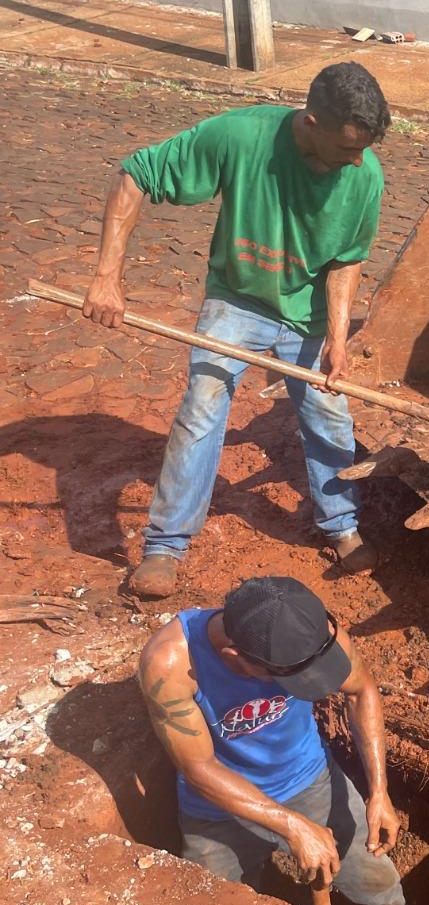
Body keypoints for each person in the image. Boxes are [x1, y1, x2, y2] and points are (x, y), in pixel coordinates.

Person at [83, 62, 392, 599]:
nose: (357, 160)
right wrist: (107, 277)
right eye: (346, 148)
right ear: (311, 121)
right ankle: (165, 546)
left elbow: (346, 261)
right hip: (238, 297)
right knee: (201, 408)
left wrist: (338, 342)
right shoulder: (239, 135)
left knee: (328, 415)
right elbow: (137, 174)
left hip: (310, 313)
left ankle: (341, 526)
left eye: (363, 149)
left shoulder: (365, 175)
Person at [138, 574, 416, 905]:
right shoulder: (170, 663)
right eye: (289, 678)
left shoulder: (314, 635)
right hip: (220, 808)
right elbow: (198, 767)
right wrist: (292, 825)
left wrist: (379, 791)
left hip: (309, 778)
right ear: (234, 657)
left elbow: (361, 692)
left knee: (376, 882)